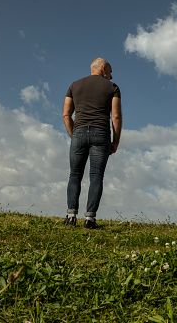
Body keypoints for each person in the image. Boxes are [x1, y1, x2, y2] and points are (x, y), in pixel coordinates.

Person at [62, 58, 122, 229]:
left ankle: (71, 216)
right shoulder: (112, 87)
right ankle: (89, 220)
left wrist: (74, 135)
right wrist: (115, 141)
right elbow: (116, 117)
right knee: (96, 176)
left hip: (79, 132)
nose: (110, 77)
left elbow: (66, 114)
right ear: (103, 69)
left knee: (75, 174)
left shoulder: (74, 85)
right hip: (100, 133)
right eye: (109, 72)